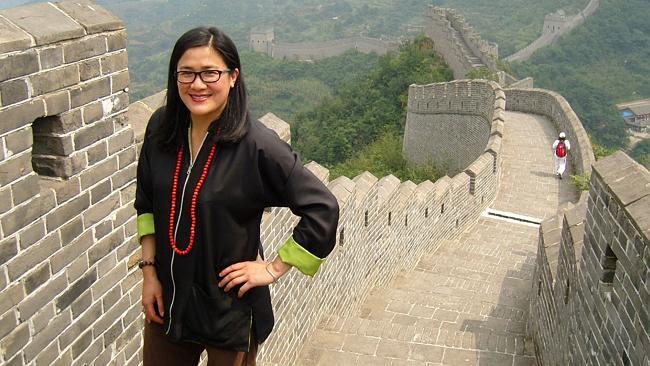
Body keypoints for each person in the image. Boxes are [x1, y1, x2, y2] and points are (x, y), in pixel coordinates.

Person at [134, 26, 339, 366]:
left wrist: (273, 269)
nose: (197, 84)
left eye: (210, 73)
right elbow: (146, 203)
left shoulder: (256, 145)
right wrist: (149, 274)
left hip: (229, 309)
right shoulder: (161, 129)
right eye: (187, 73)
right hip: (168, 301)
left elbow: (323, 207)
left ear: (232, 77)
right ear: (175, 76)